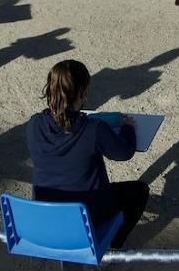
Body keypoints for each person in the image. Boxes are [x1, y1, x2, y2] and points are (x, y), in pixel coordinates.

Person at [25, 59, 149, 250]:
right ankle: (112, 245)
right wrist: (127, 128)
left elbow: (64, 126)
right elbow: (124, 153)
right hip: (86, 215)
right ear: (83, 92)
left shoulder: (34, 123)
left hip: (47, 213)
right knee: (139, 191)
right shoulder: (94, 129)